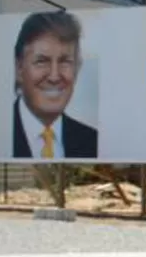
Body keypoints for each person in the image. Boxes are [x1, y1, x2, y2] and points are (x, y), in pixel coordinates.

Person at [12, 10, 98, 159]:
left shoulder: (92, 142)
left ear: (77, 68)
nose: (54, 76)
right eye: (42, 61)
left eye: (65, 62)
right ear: (19, 68)